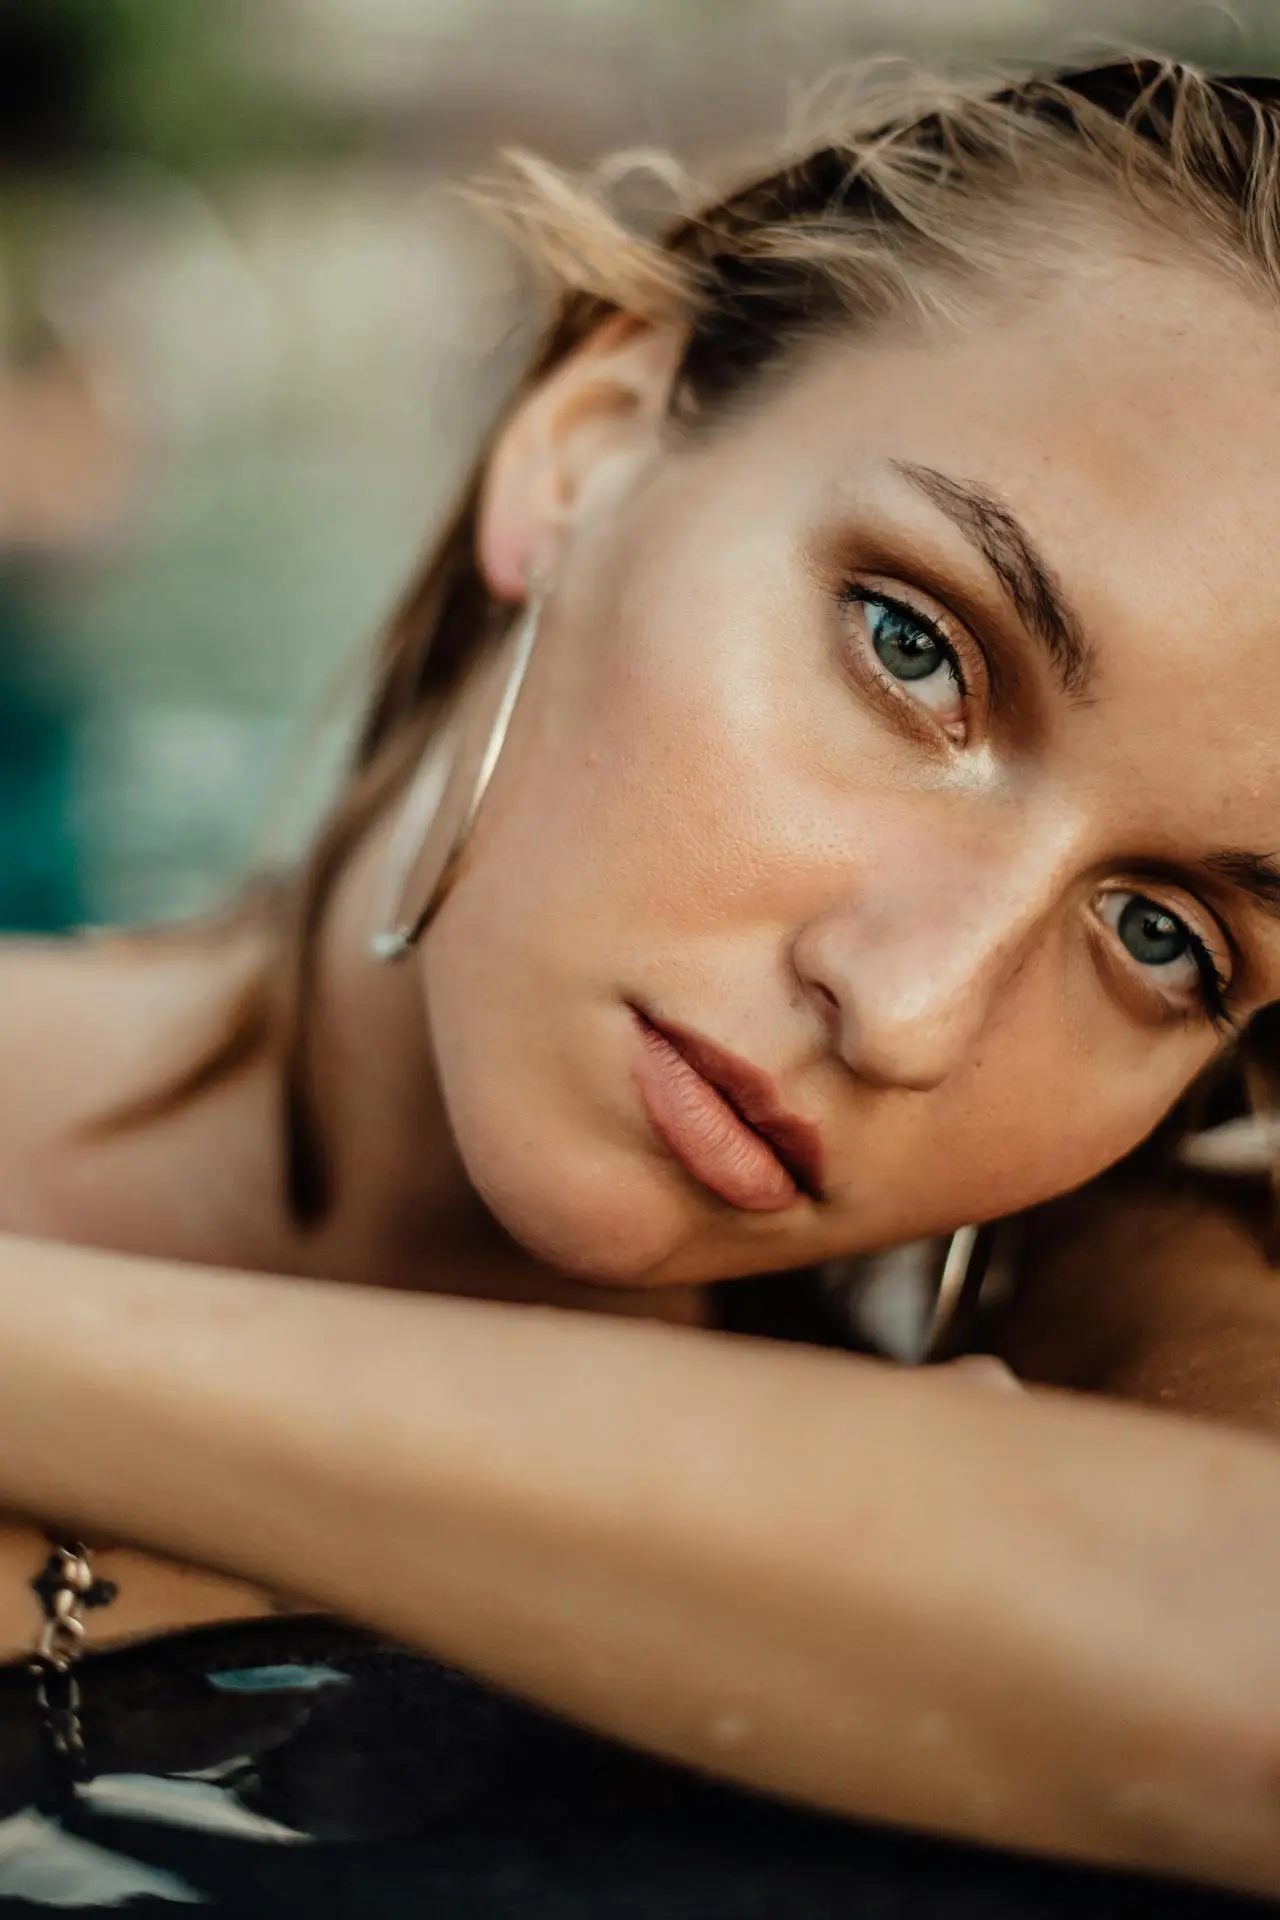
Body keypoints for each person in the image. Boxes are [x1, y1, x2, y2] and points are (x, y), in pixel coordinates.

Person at [1, 51, 1280, 1899]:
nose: (913, 1008)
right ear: (584, 444)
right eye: (914, 646)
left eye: (1163, 938)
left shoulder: (1122, 1313)